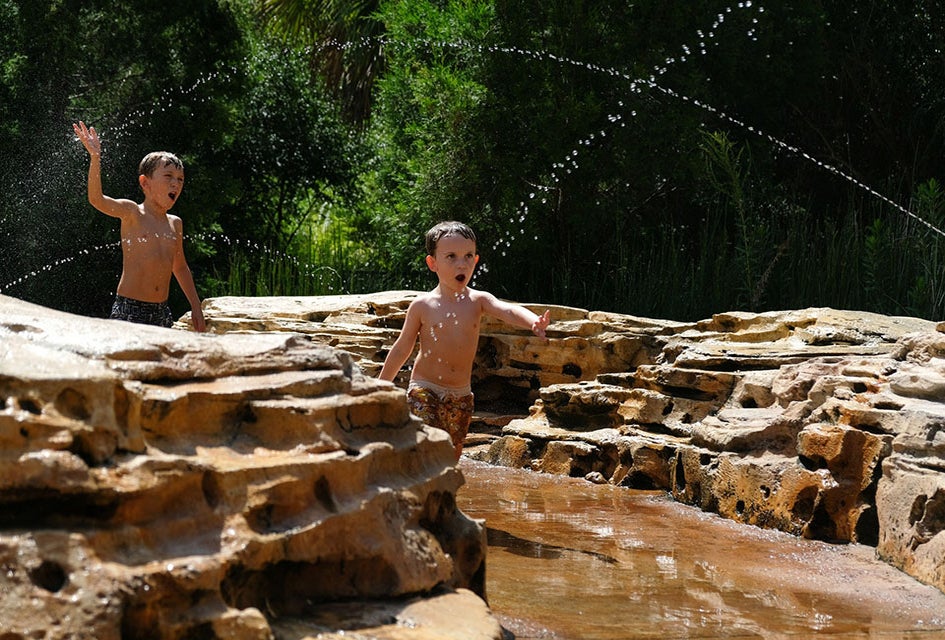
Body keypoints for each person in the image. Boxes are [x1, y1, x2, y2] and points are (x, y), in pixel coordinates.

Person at [379, 220, 550, 459]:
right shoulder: (422, 306)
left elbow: (507, 310)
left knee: (452, 455)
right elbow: (402, 347)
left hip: (461, 394)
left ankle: (443, 495)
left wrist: (533, 321)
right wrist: (380, 386)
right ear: (433, 263)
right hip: (424, 389)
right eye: (451, 256)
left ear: (476, 260)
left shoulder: (478, 300)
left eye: (468, 256)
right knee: (426, 446)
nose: (462, 263)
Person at [72, 121, 206, 332]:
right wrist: (95, 158)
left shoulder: (175, 223)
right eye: (168, 176)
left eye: (180, 179)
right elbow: (96, 199)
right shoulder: (132, 212)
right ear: (145, 183)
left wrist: (196, 307)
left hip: (161, 311)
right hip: (130, 309)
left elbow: (180, 267)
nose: (176, 184)